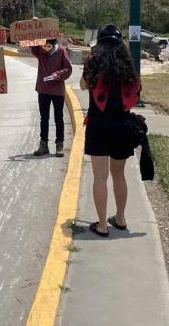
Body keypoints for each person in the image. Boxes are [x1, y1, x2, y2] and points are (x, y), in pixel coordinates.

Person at [80, 24, 141, 237]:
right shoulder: (126, 65)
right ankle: (121, 218)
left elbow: (82, 85)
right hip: (122, 125)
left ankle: (102, 226)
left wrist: (88, 63)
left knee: (100, 176)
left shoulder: (94, 63)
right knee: (119, 175)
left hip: (98, 124)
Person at [31, 38, 72, 157]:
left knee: (58, 118)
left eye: (48, 46)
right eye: (43, 46)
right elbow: (33, 47)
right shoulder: (40, 51)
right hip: (43, 89)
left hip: (57, 90)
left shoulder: (61, 52)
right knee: (44, 118)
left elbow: (68, 69)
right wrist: (36, 28)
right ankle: (43, 144)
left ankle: (59, 144)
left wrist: (58, 74)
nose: (45, 50)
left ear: (53, 44)